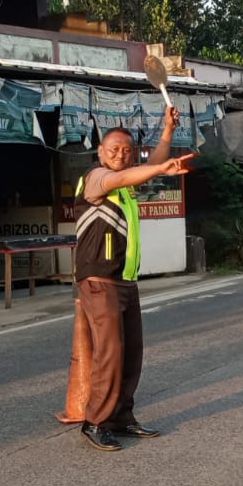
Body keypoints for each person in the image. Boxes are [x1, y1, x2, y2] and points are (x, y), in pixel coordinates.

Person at [72, 108, 193, 452]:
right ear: (100, 152)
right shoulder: (95, 179)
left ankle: (121, 416)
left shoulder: (128, 182)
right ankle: (94, 421)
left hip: (125, 280)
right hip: (99, 280)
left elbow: (146, 166)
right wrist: (160, 168)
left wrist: (167, 131)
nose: (120, 155)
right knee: (110, 352)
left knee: (131, 353)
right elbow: (127, 176)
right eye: (113, 150)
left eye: (126, 151)